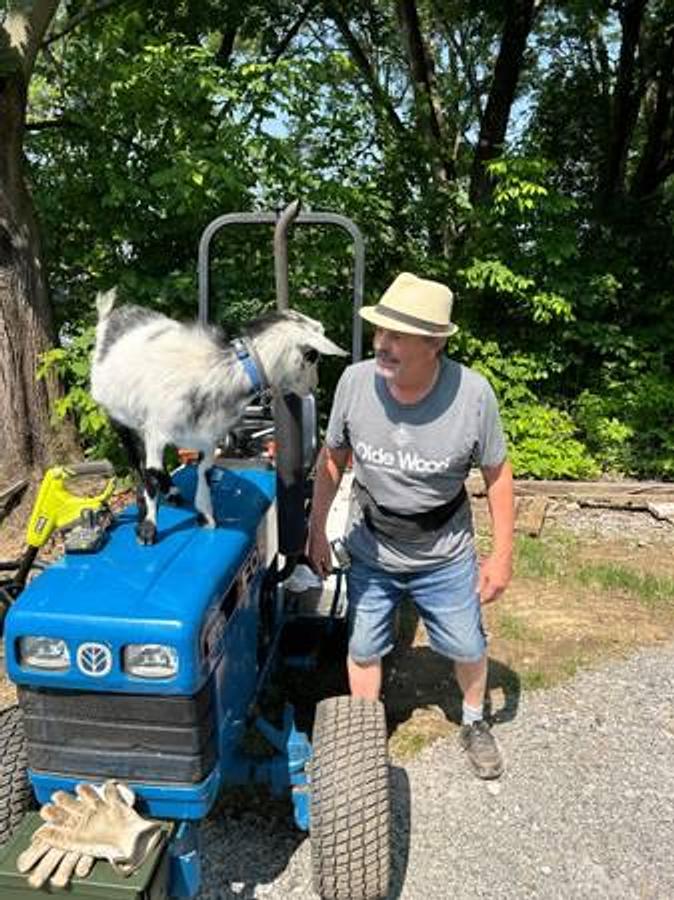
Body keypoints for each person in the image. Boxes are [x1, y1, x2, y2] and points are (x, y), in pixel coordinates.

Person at [307, 272, 514, 779]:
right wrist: (316, 529)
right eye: (381, 331)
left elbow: (498, 475)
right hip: (373, 546)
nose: (383, 343)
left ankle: (473, 721)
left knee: (467, 645)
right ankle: (363, 737)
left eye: (398, 335)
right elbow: (332, 460)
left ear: (434, 344)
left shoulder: (473, 395)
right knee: (363, 646)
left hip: (444, 551)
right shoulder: (355, 382)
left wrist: (502, 554)